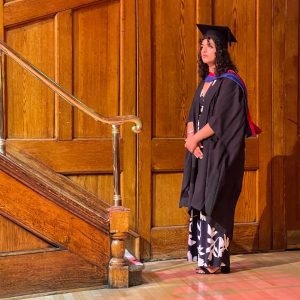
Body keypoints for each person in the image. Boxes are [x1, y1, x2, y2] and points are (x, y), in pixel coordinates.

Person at [179, 24, 260, 274]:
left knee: (216, 202)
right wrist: (191, 138)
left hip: (220, 155)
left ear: (221, 50)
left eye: (210, 45)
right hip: (202, 153)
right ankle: (204, 259)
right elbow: (193, 113)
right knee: (201, 201)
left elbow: (221, 120)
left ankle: (215, 261)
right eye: (202, 45)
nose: (204, 49)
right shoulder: (206, 81)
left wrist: (195, 140)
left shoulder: (231, 83)